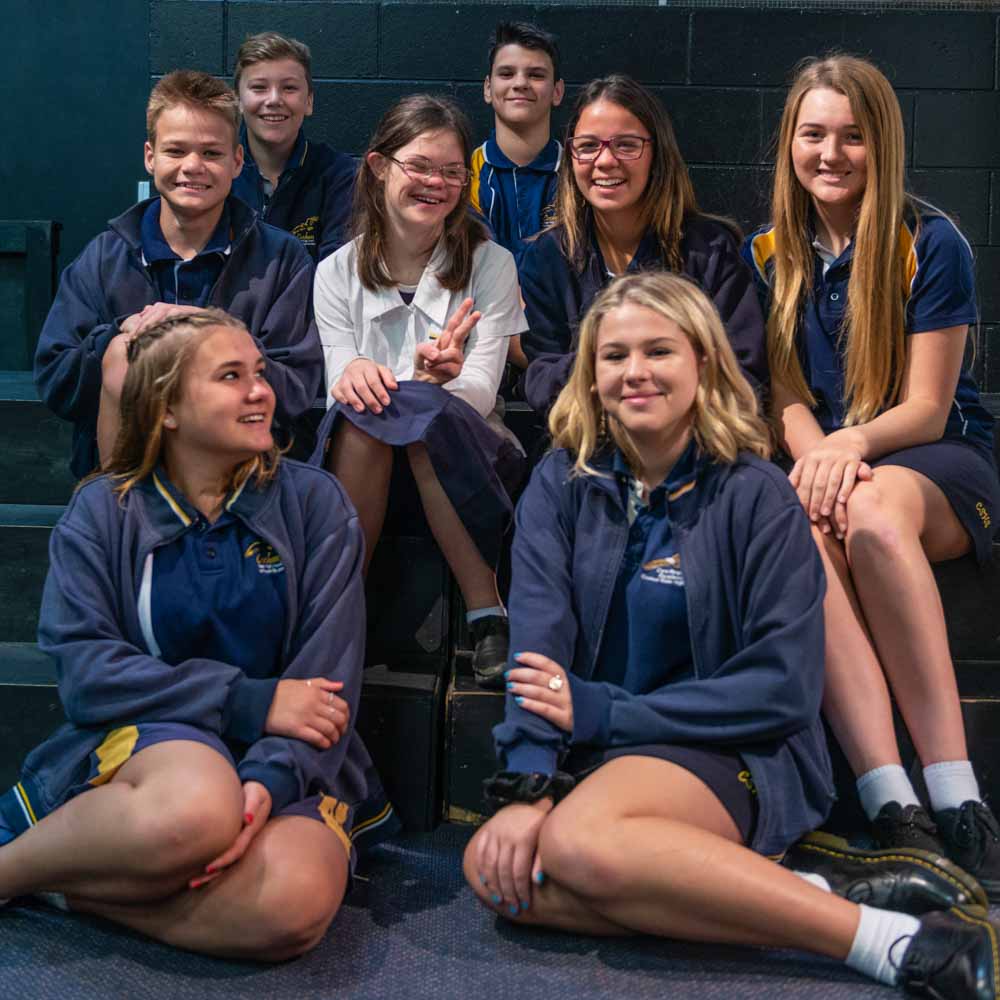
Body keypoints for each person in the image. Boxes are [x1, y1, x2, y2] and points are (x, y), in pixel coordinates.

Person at [463, 272, 996, 1000]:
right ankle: (794, 888)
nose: (636, 373)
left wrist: (607, 713)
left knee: (576, 846)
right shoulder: (561, 482)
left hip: (733, 746)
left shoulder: (756, 494)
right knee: (498, 879)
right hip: (597, 748)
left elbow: (781, 689)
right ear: (591, 374)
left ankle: (894, 945)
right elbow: (537, 656)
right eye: (614, 356)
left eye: (659, 351)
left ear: (704, 364)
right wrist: (526, 785)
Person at [0, 309, 394, 960]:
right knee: (196, 810)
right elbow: (87, 675)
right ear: (168, 408)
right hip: (153, 744)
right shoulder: (103, 510)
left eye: (260, 373)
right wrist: (250, 700)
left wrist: (265, 783)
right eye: (231, 376)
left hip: (288, 756)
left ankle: (79, 890)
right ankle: (13, 871)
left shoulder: (317, 503)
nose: (261, 391)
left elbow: (326, 687)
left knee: (292, 905)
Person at [743, 54, 1000, 898]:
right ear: (789, 143)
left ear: (881, 143)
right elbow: (783, 395)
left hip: (934, 458)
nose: (831, 153)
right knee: (799, 527)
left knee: (877, 515)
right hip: (834, 455)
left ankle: (958, 793)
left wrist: (840, 451)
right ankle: (891, 799)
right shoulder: (770, 251)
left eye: (853, 136)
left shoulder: (933, 242)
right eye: (814, 134)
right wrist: (815, 457)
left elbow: (926, 408)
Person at [311, 94, 528, 689]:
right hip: (365, 456)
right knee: (362, 417)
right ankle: (338, 612)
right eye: (420, 166)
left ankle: (487, 613)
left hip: (462, 445)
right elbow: (337, 383)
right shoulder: (334, 272)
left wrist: (441, 383)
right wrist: (357, 371)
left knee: (424, 417)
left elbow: (483, 389)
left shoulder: (492, 264)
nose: (436, 183)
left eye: (452, 172)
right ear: (380, 167)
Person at [34, 70, 322, 478]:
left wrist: (203, 332)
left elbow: (295, 390)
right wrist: (122, 338)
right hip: (129, 481)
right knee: (120, 349)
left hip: (243, 485)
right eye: (176, 150)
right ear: (150, 156)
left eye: (211, 153)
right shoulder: (103, 258)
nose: (193, 166)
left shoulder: (283, 261)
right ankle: (121, 526)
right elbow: (56, 383)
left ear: (237, 161)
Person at [518, 75, 767, 416]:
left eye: (626, 145)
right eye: (588, 145)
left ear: (657, 154)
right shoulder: (548, 257)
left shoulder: (709, 250)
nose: (605, 161)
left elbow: (744, 374)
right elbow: (542, 383)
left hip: (693, 444)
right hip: (586, 445)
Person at [232, 31, 356, 262]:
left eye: (289, 88)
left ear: (308, 101)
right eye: (259, 87)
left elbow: (335, 275)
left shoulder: (339, 174)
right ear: (238, 101)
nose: (274, 100)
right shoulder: (217, 169)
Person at [471, 21, 565, 267]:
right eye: (506, 73)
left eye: (536, 75)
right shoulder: (462, 175)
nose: (520, 83)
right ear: (488, 88)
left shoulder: (580, 175)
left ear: (557, 91)